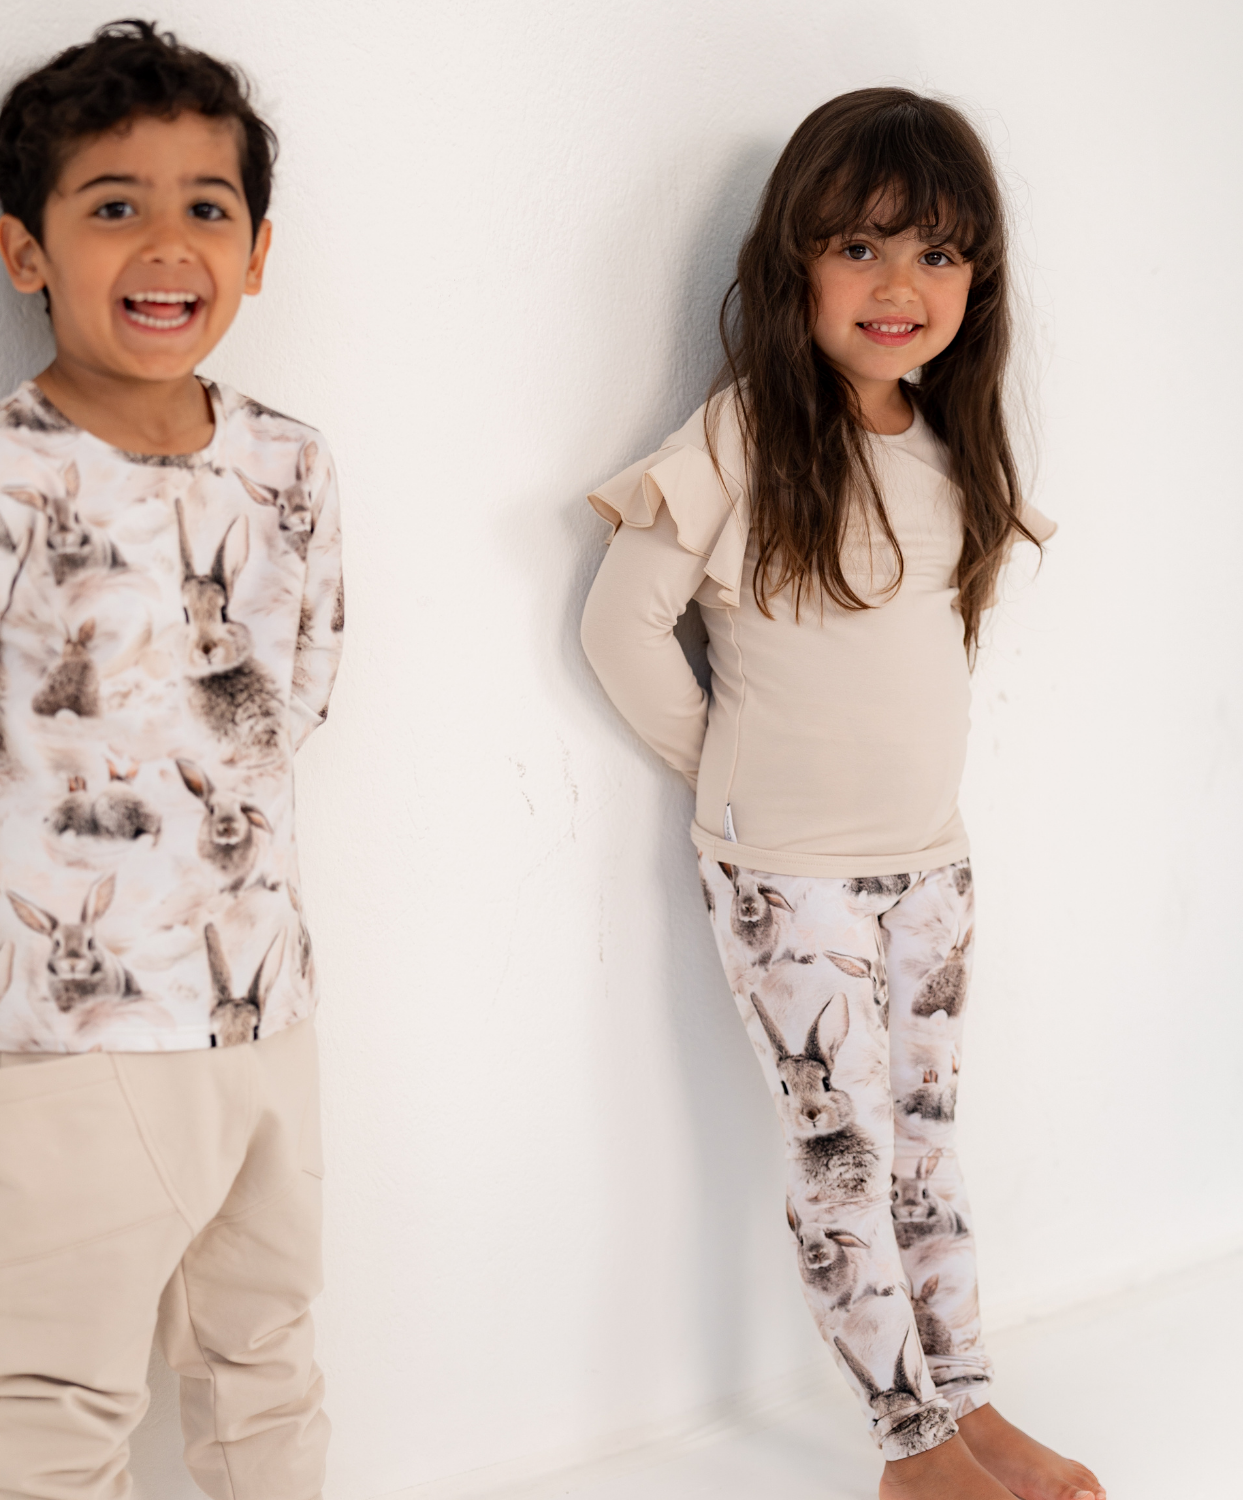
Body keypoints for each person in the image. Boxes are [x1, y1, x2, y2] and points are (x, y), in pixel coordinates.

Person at [0, 21, 341, 1499]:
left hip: (264, 1009)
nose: (166, 243)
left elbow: (306, 675)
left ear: (256, 253)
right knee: (61, 1394)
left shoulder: (291, 466)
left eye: (207, 206)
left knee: (268, 1352)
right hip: (71, 1035)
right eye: (114, 205)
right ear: (26, 251)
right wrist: (23, 879)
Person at [580, 88, 1103, 1500]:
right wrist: (733, 778)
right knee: (843, 1156)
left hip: (933, 861)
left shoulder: (952, 442)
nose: (897, 285)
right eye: (860, 247)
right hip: (791, 876)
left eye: (936, 254)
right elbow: (621, 629)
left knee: (926, 1148)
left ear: (977, 283)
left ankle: (968, 1404)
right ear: (794, 263)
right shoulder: (743, 437)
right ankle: (906, 1446)